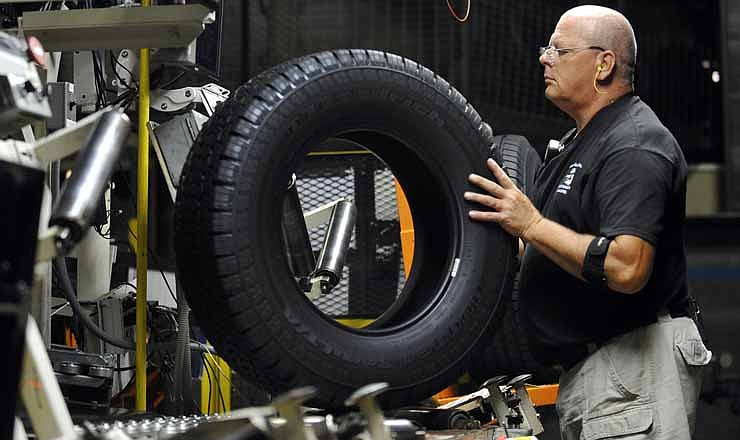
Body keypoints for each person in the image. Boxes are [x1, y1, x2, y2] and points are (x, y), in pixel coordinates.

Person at [464, 5, 711, 440]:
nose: (544, 58)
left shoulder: (634, 144)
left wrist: (532, 224)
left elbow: (628, 268)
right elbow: (550, 245)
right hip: (600, 375)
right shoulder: (580, 145)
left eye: (558, 50)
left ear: (603, 64)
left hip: (633, 370)